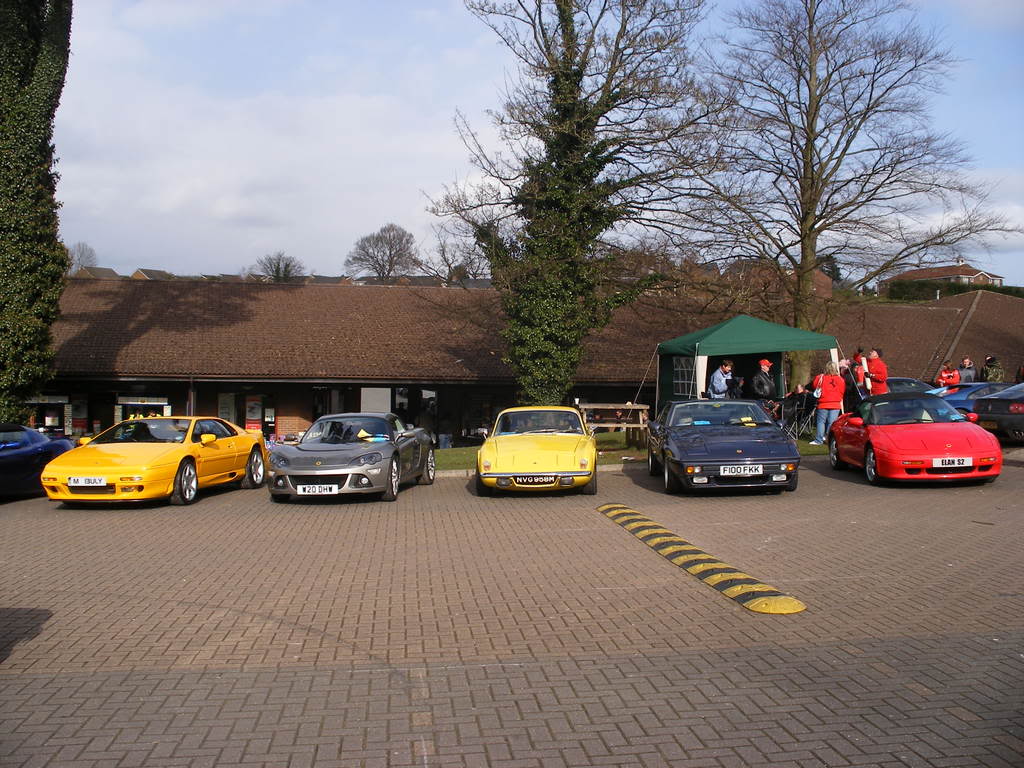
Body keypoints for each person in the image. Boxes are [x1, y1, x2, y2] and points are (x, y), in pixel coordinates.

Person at [809, 361, 846, 445]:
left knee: (821, 422)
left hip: (823, 403)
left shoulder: (820, 377)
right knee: (831, 423)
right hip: (835, 404)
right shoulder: (840, 379)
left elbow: (815, 386)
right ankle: (829, 439)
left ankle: (819, 440)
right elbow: (842, 391)